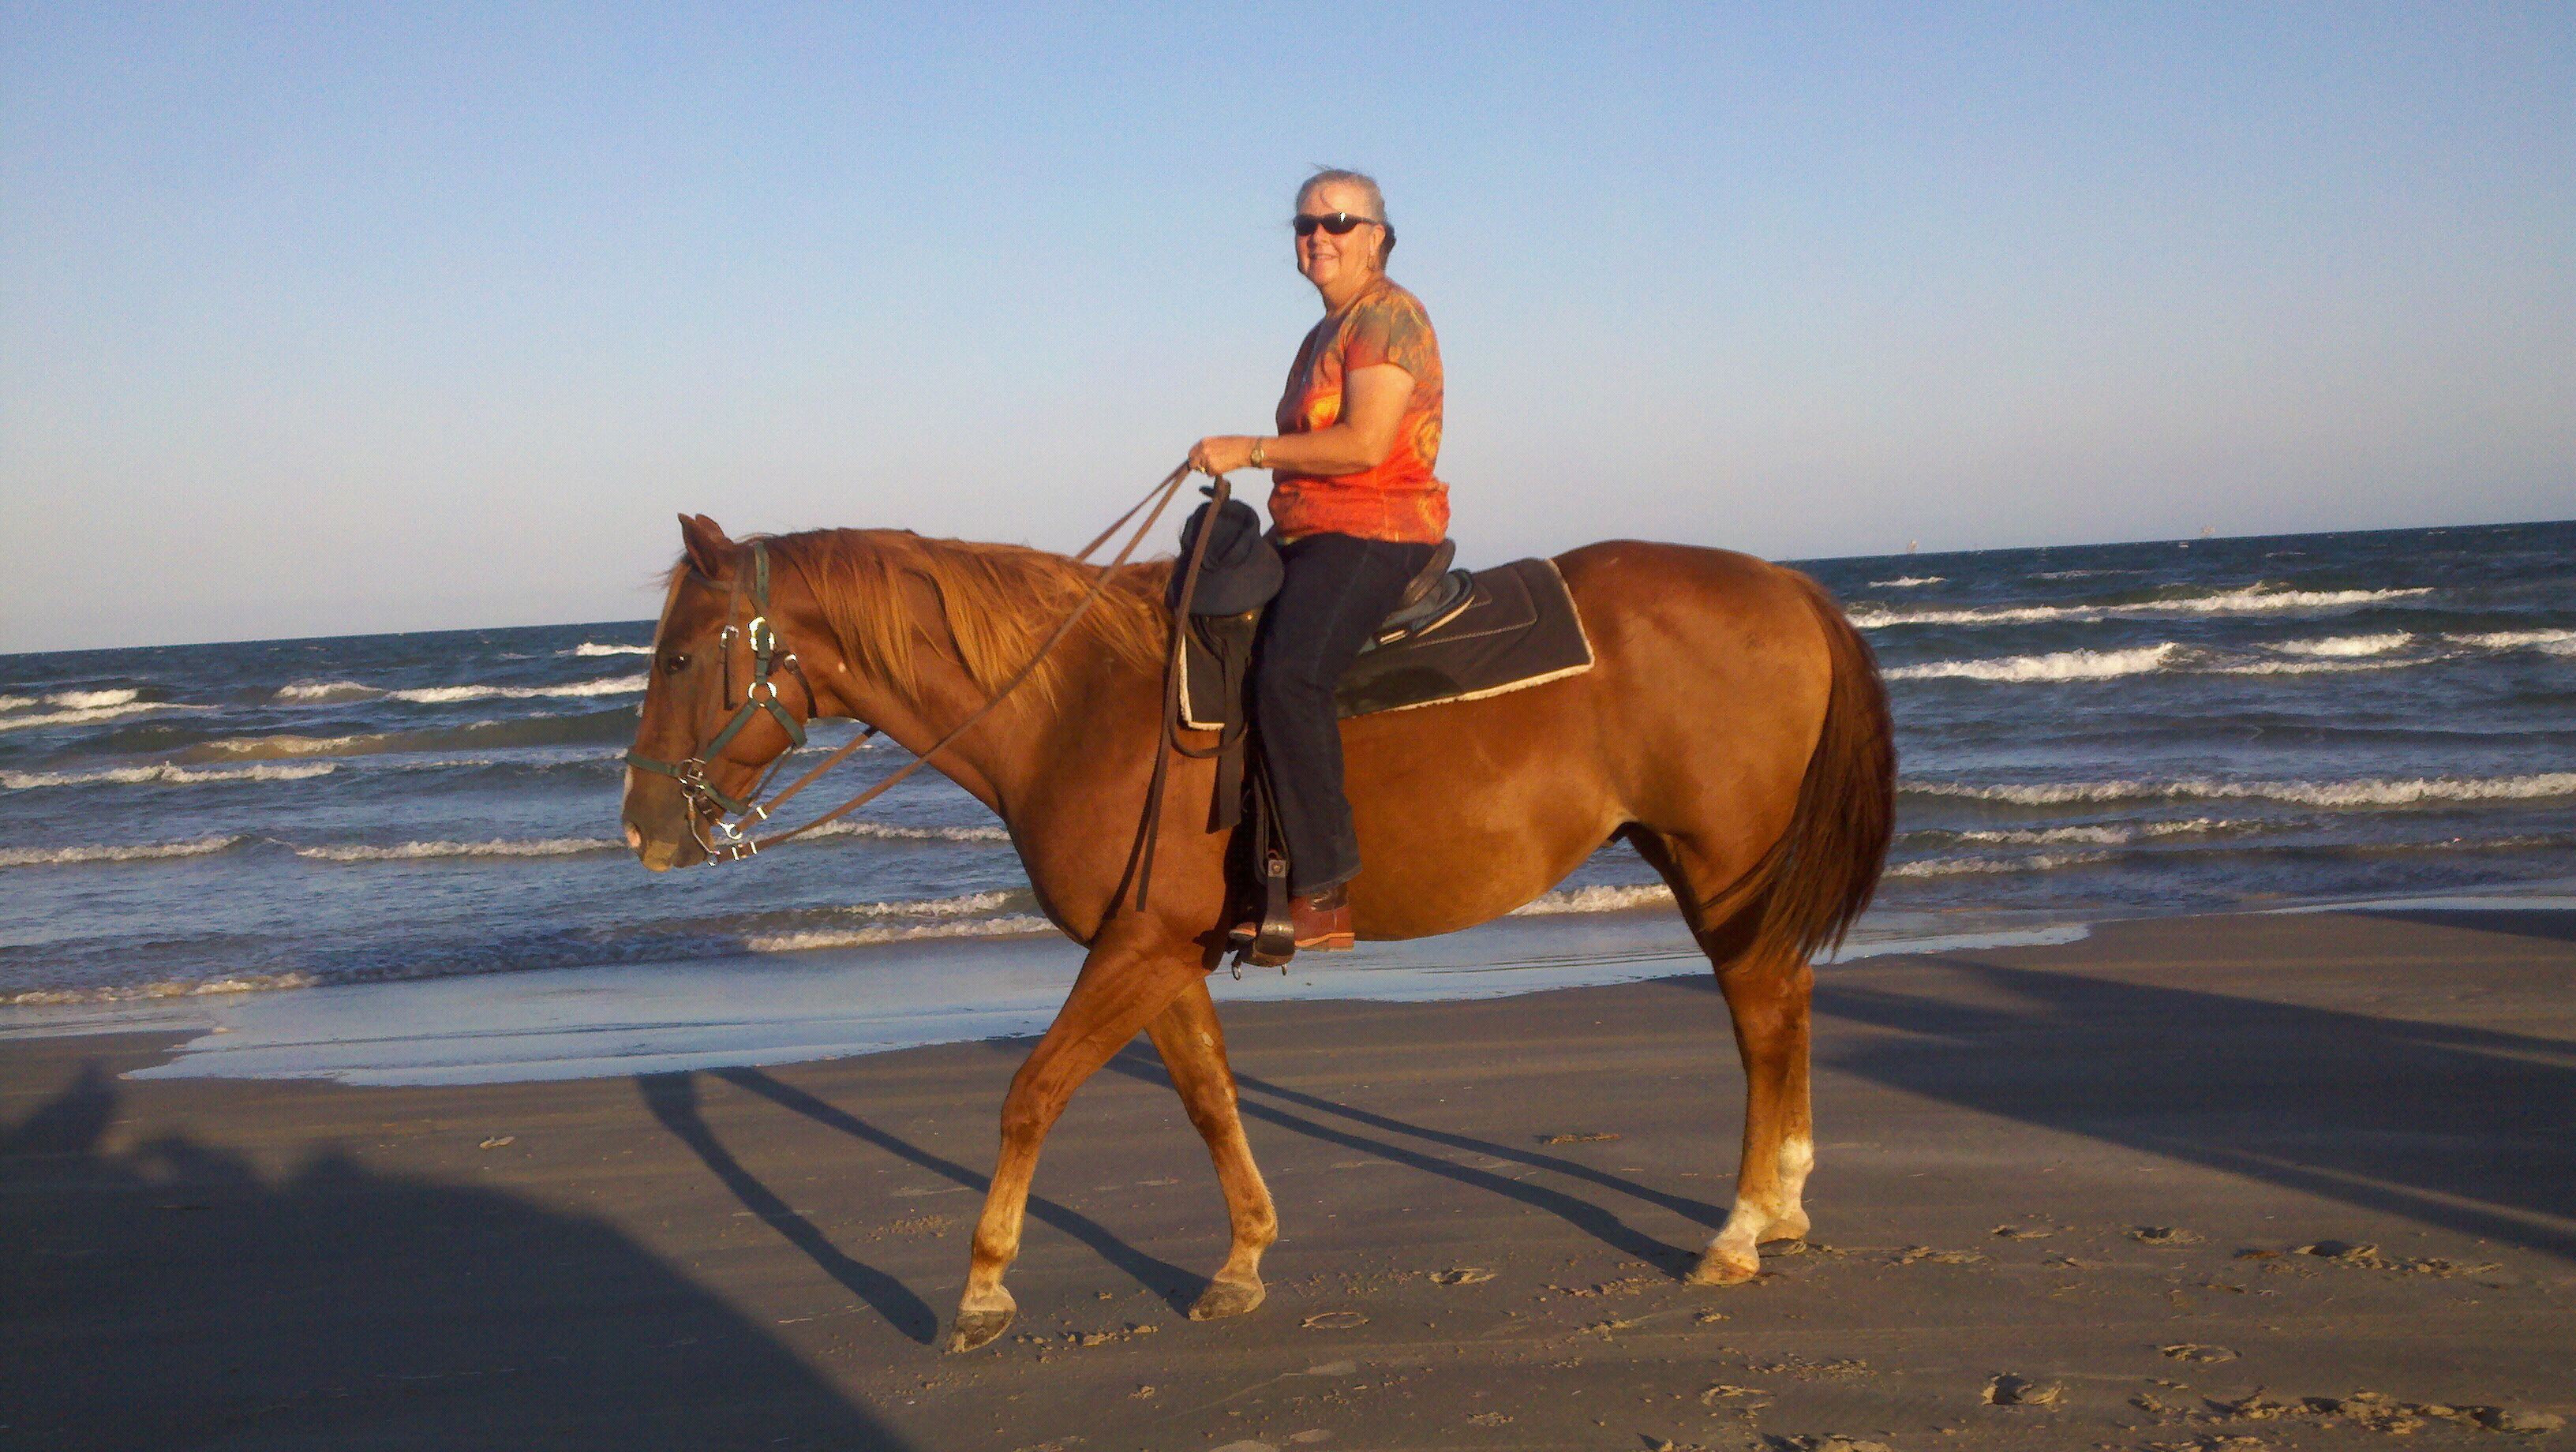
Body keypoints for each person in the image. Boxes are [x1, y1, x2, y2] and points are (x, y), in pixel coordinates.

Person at [1189, 168, 1447, 952]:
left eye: (1337, 221)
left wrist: (1251, 449)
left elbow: (1366, 443)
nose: (1317, 236)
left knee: (1288, 673)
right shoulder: (1322, 335)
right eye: (1305, 225)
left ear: (1376, 237)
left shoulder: (1389, 316)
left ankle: (1326, 887)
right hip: (1308, 529)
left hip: (1377, 526)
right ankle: (1254, 869)